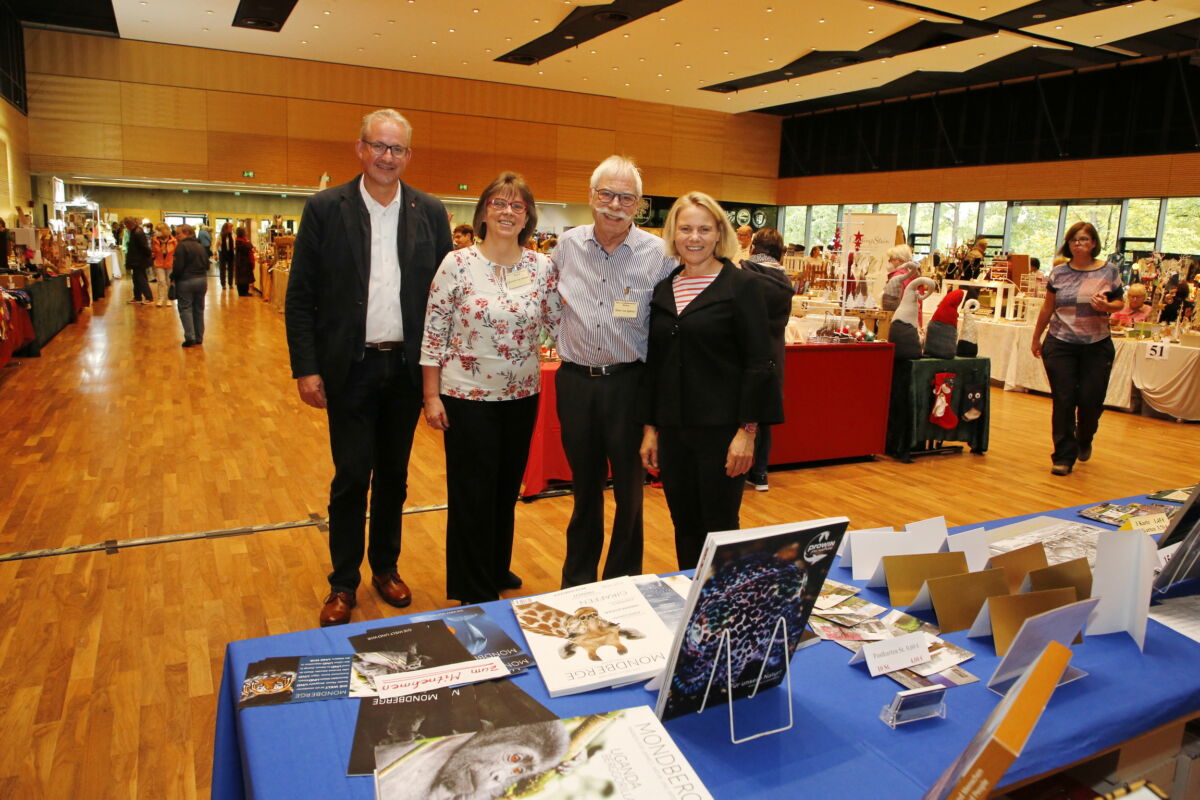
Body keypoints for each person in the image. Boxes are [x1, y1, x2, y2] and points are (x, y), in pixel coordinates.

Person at [285, 108, 452, 627]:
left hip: (404, 369)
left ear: (408, 155)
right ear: (360, 149)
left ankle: (385, 566)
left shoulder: (430, 211)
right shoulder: (325, 209)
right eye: (378, 146)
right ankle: (342, 582)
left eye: (396, 149)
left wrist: (439, 377)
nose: (386, 157)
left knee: (396, 476)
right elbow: (301, 297)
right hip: (349, 370)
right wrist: (306, 367)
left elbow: (445, 298)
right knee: (352, 475)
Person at [420, 172, 560, 604]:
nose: (507, 211)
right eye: (498, 203)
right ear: (482, 212)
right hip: (467, 397)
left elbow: (557, 323)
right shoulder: (457, 263)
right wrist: (430, 395)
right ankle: (471, 584)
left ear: (527, 218)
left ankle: (496, 567)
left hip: (522, 395)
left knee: (504, 489)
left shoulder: (542, 266)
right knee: (472, 493)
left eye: (517, 206)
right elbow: (434, 332)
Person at [639, 192, 783, 570]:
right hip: (674, 429)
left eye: (704, 228)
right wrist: (652, 429)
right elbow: (658, 364)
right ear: (673, 233)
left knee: (719, 526)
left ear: (719, 233)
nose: (694, 237)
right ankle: (692, 600)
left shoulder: (743, 286)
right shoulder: (664, 287)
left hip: (722, 431)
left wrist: (747, 431)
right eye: (685, 228)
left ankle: (724, 607)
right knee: (683, 523)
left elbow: (759, 362)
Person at [551, 155, 675, 588]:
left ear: (639, 204)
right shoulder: (567, 245)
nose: (614, 205)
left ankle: (622, 582)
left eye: (626, 197)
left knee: (629, 492)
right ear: (591, 196)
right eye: (606, 194)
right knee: (584, 488)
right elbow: (548, 302)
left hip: (629, 383)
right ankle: (578, 581)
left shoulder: (659, 254)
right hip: (574, 382)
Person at [1030, 221, 1124, 476]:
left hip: (1096, 344)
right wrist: (1037, 337)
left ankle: (1085, 437)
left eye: (1083, 239)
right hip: (1061, 343)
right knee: (1063, 399)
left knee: (1090, 400)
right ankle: (1063, 456)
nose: (1078, 244)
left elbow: (1119, 304)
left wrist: (1107, 307)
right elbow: (1048, 308)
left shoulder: (1109, 271)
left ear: (1094, 243)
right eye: (1074, 240)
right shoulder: (1059, 273)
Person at [739, 227, 793, 492]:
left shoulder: (743, 276)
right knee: (764, 416)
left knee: (743, 415)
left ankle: (737, 473)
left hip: (747, 354)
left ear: (753, 247)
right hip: (774, 354)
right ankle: (760, 474)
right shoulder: (785, 283)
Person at [171, 225, 210, 347]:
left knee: (186, 309)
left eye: (178, 233)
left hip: (186, 281)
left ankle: (190, 337)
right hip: (202, 280)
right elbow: (207, 265)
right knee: (199, 309)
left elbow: (178, 267)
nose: (176, 236)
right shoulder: (201, 246)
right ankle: (199, 337)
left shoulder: (181, 247)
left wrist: (173, 277)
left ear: (186, 233)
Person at [880, 244, 920, 311]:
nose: (889, 262)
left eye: (891, 259)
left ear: (899, 260)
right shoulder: (910, 274)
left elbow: (896, 301)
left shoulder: (898, 276)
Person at [124, 217, 154, 304]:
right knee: (136, 279)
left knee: (141, 279)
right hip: (138, 260)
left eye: (126, 225)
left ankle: (149, 297)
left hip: (139, 261)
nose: (126, 227)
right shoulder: (136, 232)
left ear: (130, 224)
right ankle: (137, 297)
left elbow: (144, 247)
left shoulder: (137, 232)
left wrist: (149, 255)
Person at [151, 223, 176, 307]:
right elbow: (154, 251)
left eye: (158, 230)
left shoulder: (173, 240)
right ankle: (160, 299)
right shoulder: (155, 240)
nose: (156, 232)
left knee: (169, 282)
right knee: (161, 282)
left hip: (170, 263)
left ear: (164, 231)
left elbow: (176, 252)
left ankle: (169, 299)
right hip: (159, 263)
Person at [233, 227, 255, 296]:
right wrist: (248, 243)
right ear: (242, 233)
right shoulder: (240, 242)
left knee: (243, 278)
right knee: (244, 279)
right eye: (245, 231)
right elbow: (249, 247)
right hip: (243, 263)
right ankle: (244, 292)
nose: (246, 233)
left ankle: (244, 292)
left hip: (241, 262)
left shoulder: (240, 241)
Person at [217, 222, 235, 289]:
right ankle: (223, 284)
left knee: (231, 269)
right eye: (230, 227)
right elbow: (217, 244)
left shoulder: (232, 235)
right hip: (223, 253)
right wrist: (217, 253)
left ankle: (230, 284)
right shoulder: (220, 235)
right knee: (222, 269)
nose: (231, 229)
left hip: (230, 253)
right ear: (226, 228)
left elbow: (234, 244)